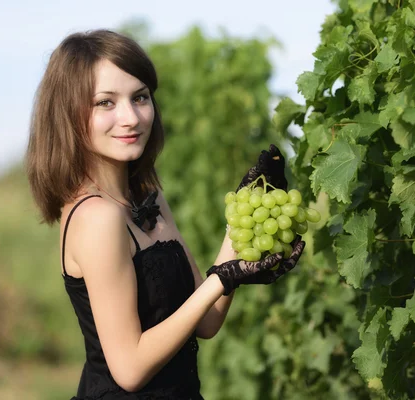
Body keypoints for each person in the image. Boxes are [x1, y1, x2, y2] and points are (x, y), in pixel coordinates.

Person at [25, 29, 305, 400]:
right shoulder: (97, 217)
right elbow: (130, 370)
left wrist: (241, 229)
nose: (130, 118)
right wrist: (223, 281)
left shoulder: (146, 198)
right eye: (105, 103)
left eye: (139, 97)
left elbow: (205, 322)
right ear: (68, 114)